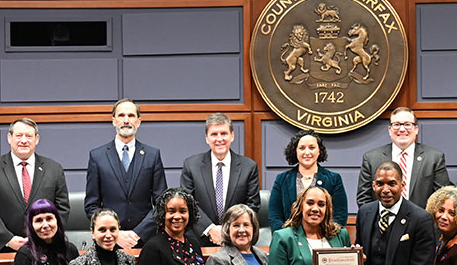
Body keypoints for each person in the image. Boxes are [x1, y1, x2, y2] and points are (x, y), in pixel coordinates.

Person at [85, 98, 167, 248]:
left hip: (146, 241)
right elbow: (92, 206)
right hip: (109, 242)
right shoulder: (97, 156)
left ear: (139, 121)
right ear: (114, 121)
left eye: (131, 115)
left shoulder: (152, 155)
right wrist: (115, 233)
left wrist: (138, 233)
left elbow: (161, 203)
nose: (126, 120)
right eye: (121, 115)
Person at [0, 118, 70, 252]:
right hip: (4, 249)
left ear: (37, 139)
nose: (23, 140)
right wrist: (8, 239)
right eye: (18, 135)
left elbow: (62, 208)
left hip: (46, 248)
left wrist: (44, 237)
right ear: (9, 138)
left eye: (29, 136)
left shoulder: (54, 169)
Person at [181, 113, 261, 247]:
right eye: (214, 134)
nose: (219, 139)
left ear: (232, 136)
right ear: (207, 138)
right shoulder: (191, 165)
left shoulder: (249, 167)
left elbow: (252, 205)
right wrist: (210, 229)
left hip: (236, 240)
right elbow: (188, 203)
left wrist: (228, 230)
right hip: (200, 241)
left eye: (224, 133)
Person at [357, 107, 450, 210]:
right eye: (396, 125)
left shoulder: (434, 158)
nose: (402, 129)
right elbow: (363, 199)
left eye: (407, 124)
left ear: (416, 129)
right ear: (390, 130)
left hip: (422, 224)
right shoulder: (371, 158)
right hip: (383, 223)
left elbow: (443, 197)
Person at [268, 129, 347, 232]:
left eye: (312, 147)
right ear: (295, 151)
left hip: (323, 239)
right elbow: (275, 217)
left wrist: (320, 237)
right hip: (290, 241)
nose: (307, 152)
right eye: (301, 148)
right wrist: (289, 237)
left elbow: (340, 216)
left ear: (319, 151)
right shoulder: (282, 179)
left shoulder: (334, 179)